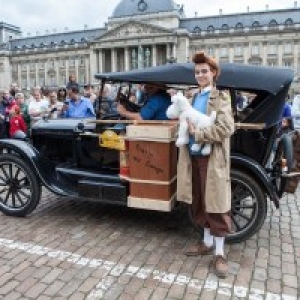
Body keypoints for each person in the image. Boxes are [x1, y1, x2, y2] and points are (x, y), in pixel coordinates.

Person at [177, 51, 234, 278]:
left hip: (212, 159)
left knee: (217, 205)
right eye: (197, 72)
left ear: (213, 73)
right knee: (199, 202)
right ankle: (207, 242)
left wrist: (197, 133)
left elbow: (225, 129)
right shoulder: (190, 98)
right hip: (192, 157)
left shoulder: (222, 98)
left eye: (205, 71)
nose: (200, 75)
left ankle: (220, 253)